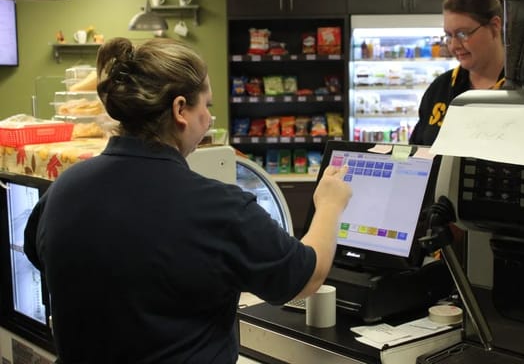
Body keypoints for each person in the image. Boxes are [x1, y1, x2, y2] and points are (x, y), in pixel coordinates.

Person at [23, 37, 352, 363]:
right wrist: (330, 204)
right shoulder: (219, 208)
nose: (208, 118)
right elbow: (305, 278)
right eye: (206, 105)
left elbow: (42, 257)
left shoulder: (63, 189)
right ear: (181, 109)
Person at [409, 0, 506, 146]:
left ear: (495, 27)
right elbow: (416, 150)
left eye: (463, 34)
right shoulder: (440, 88)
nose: (453, 46)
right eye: (448, 35)